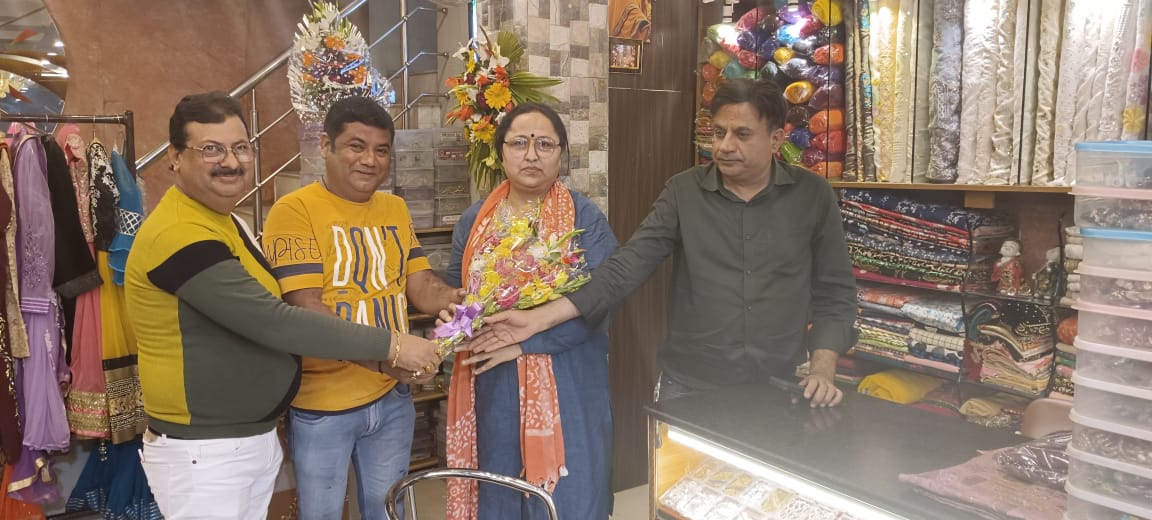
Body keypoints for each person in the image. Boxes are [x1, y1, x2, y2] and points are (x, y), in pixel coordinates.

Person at [124, 91, 442, 520]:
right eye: (211, 149)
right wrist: (394, 348)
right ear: (175, 157)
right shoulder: (179, 234)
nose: (231, 162)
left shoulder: (225, 221)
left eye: (240, 148)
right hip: (206, 450)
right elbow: (276, 321)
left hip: (241, 441)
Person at [468, 78, 858, 407]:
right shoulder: (684, 191)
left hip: (780, 384)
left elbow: (835, 291)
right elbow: (626, 267)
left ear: (776, 140)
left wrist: (822, 369)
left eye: (741, 135)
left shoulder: (812, 195)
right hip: (690, 384)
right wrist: (537, 318)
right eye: (718, 132)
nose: (724, 146)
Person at [262, 96, 463, 520]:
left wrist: (469, 302)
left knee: (387, 509)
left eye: (381, 150)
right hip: (323, 405)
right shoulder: (293, 211)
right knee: (321, 515)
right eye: (356, 146)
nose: (370, 160)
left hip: (392, 398)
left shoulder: (395, 208)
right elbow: (307, 311)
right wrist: (390, 357)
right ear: (326, 146)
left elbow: (421, 285)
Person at [444, 102, 618, 519]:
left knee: (570, 491)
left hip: (568, 379)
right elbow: (459, 294)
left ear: (561, 154)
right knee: (500, 486)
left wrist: (527, 343)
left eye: (544, 144)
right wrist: (452, 326)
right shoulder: (475, 220)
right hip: (493, 381)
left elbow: (605, 299)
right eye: (519, 143)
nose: (531, 155)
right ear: (501, 152)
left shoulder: (583, 217)